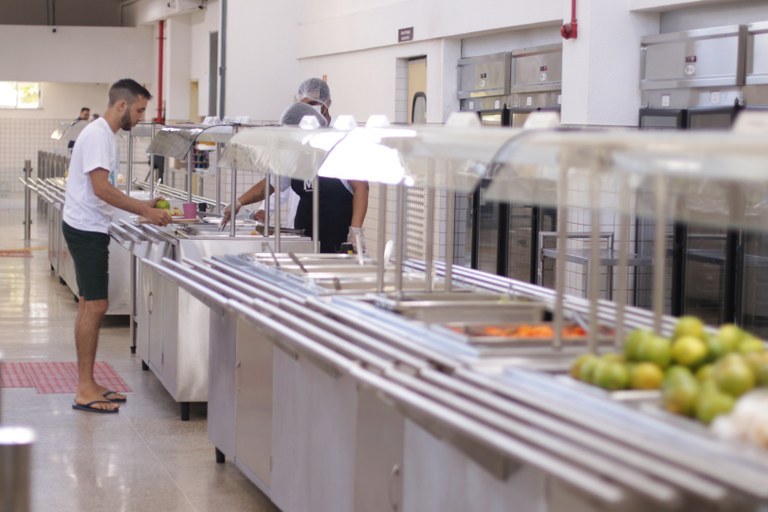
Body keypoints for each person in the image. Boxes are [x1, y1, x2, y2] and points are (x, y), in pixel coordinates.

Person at [62, 79, 172, 413]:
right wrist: (143, 211)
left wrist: (144, 201)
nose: (141, 117)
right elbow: (101, 189)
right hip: (86, 228)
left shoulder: (104, 135)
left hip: (89, 225)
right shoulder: (98, 136)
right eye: (139, 110)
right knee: (95, 306)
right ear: (122, 105)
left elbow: (108, 188)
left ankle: (90, 383)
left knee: (89, 304)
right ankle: (84, 389)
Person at [223, 78, 369, 253]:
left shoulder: (340, 141)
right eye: (304, 105)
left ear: (326, 104)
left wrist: (355, 230)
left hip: (336, 235)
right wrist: (238, 202)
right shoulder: (296, 146)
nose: (307, 110)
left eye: (313, 104)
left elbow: (362, 187)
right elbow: (270, 185)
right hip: (304, 235)